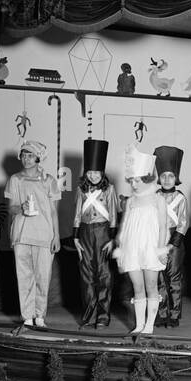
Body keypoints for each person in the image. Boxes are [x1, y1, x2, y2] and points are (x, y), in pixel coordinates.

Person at [113, 143, 171, 340]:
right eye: (132, 180)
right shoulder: (130, 201)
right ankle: (138, 325)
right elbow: (125, 226)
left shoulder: (158, 199)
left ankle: (149, 325)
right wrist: (121, 246)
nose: (134, 184)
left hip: (150, 247)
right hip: (132, 247)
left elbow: (163, 227)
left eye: (138, 180)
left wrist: (161, 250)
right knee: (137, 287)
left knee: (151, 285)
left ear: (147, 179)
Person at [5, 140, 61, 330]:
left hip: (44, 235)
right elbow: (10, 208)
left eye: (30, 155)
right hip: (22, 234)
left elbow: (53, 212)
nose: (26, 159)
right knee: (24, 277)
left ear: (38, 157)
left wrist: (56, 236)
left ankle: (40, 316)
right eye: (23, 155)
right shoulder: (15, 179)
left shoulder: (49, 180)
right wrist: (20, 208)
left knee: (43, 277)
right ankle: (27, 316)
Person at [73, 139, 118, 329]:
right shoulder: (80, 190)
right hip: (84, 233)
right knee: (86, 275)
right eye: (90, 172)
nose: (93, 176)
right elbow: (76, 214)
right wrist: (75, 238)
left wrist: (112, 239)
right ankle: (89, 314)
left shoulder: (109, 189)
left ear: (102, 172)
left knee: (104, 275)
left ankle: (103, 315)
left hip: (103, 233)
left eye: (96, 172)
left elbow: (114, 215)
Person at [152, 146, 188, 328]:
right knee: (158, 277)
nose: (167, 179)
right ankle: (161, 312)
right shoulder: (154, 196)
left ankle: (174, 314)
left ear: (176, 178)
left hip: (174, 240)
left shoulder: (180, 198)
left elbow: (183, 222)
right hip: (157, 239)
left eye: (170, 176)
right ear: (159, 177)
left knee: (173, 277)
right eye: (163, 176)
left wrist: (173, 244)